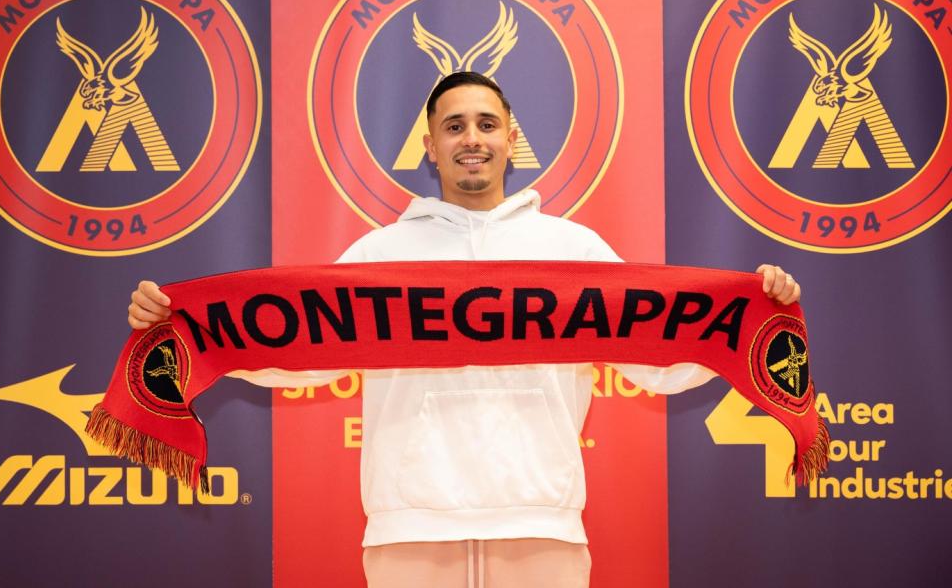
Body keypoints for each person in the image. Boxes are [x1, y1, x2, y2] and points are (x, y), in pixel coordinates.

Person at [127, 72, 801, 587]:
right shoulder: (379, 256)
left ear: (511, 139)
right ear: (430, 145)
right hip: (408, 528)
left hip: (542, 523)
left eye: (485, 124)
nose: (471, 138)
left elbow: (658, 361)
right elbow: (294, 349)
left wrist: (752, 314)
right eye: (454, 126)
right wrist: (180, 325)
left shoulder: (573, 250)